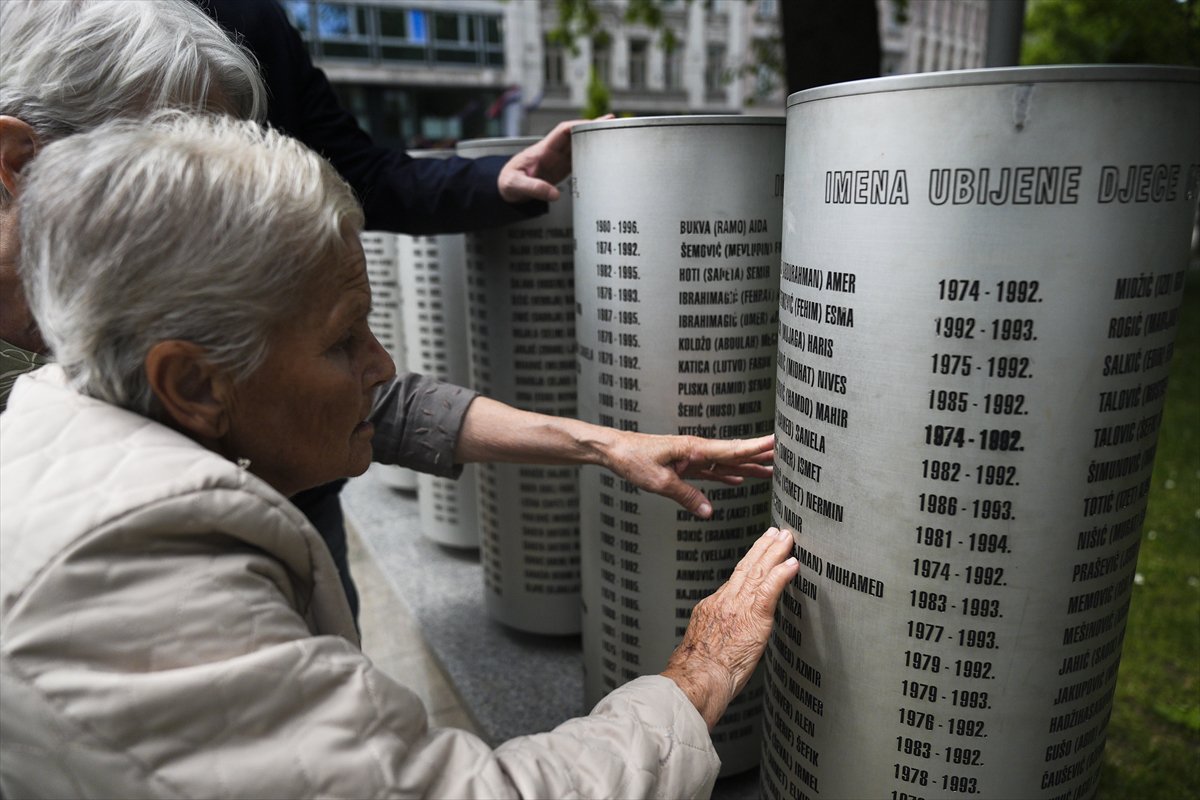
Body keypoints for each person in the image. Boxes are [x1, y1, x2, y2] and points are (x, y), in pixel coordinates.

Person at [0, 112, 798, 798]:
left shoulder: (84, 411)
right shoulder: (134, 590)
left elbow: (382, 408)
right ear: (193, 384)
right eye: (345, 339)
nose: (381, 365)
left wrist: (603, 442)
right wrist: (700, 671)